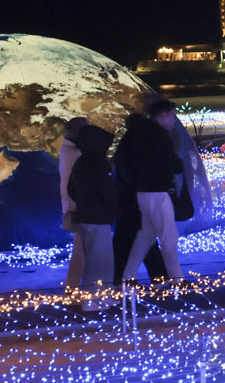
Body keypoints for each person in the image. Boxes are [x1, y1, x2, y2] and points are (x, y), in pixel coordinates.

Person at [115, 100, 189, 282]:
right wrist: (177, 167)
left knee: (145, 237)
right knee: (169, 237)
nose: (173, 121)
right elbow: (171, 162)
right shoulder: (159, 135)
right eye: (171, 116)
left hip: (142, 192)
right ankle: (177, 279)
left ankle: (127, 276)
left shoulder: (134, 136)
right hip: (157, 192)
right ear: (161, 116)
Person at [65, 123, 118, 304]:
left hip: (84, 216)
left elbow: (71, 190)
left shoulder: (81, 162)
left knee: (93, 259)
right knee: (100, 261)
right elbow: (107, 192)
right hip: (99, 217)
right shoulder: (99, 163)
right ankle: (95, 300)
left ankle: (99, 297)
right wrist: (114, 208)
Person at [58, 116, 90, 288]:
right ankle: (74, 291)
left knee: (80, 251)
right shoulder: (76, 154)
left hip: (73, 206)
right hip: (78, 207)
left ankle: (74, 290)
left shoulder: (67, 151)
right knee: (81, 253)